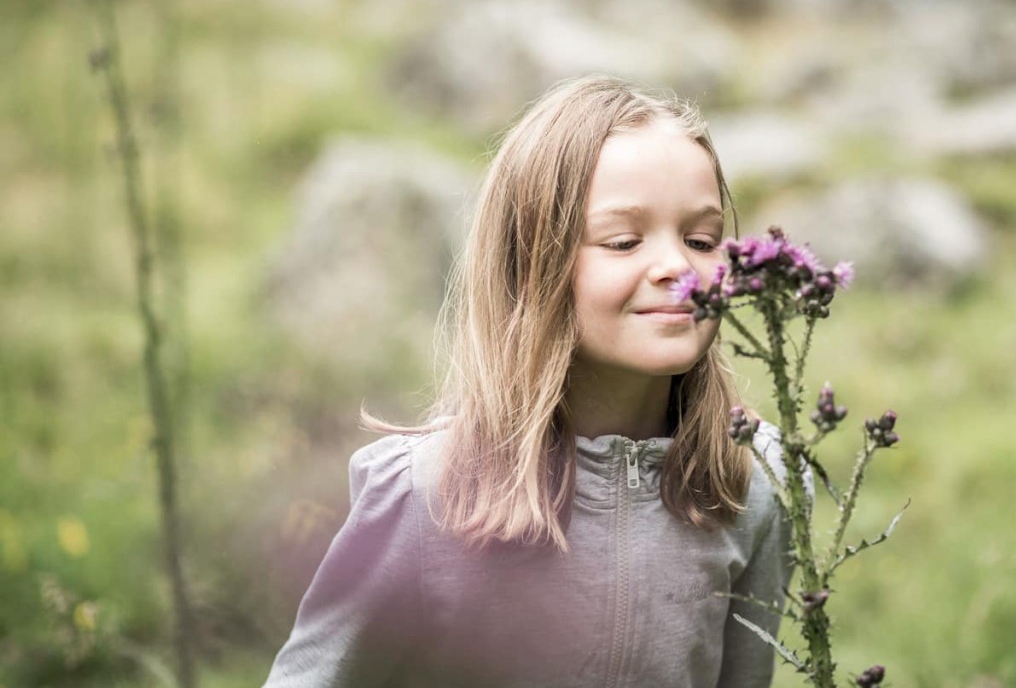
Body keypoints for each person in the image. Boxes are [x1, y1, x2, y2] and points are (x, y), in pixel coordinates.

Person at [262, 76, 794, 688]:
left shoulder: (751, 486)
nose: (678, 266)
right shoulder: (426, 496)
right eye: (624, 241)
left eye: (701, 239)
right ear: (532, 262)